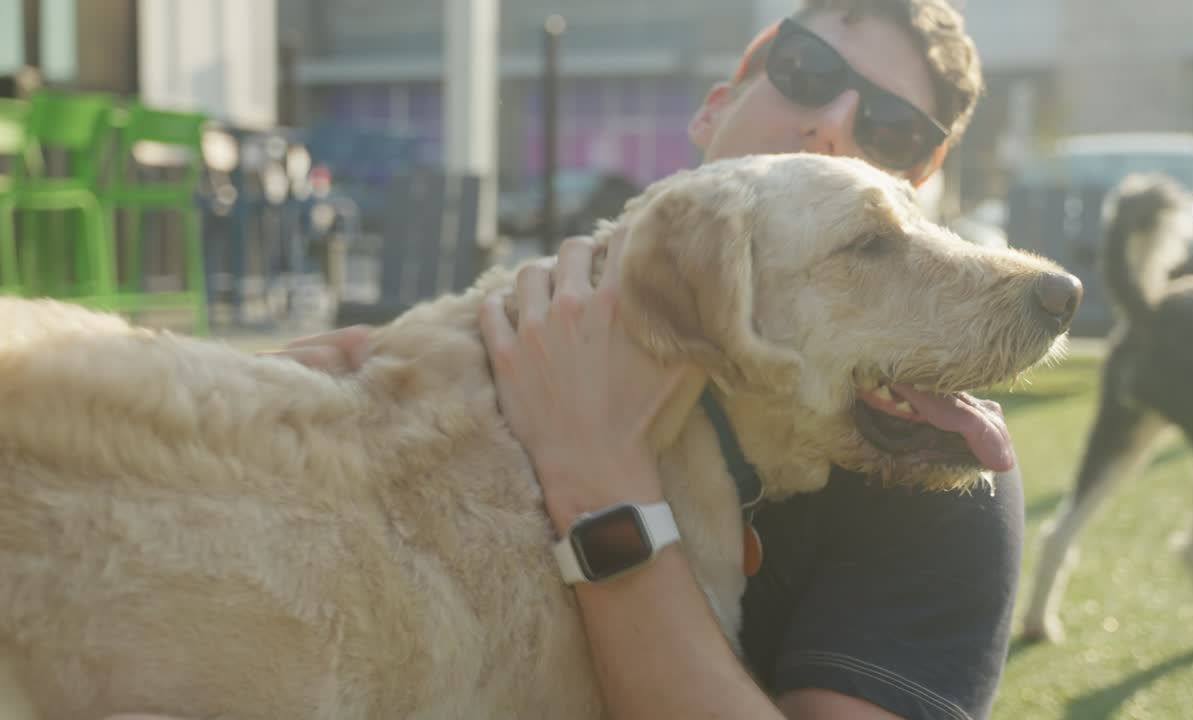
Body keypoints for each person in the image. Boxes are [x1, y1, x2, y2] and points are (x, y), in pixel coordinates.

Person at [108, 2, 1018, 719]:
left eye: (892, 132)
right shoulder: (522, 324)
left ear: (911, 193)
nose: (832, 125)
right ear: (719, 98)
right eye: (806, 72)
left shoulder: (937, 456)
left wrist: (597, 479)